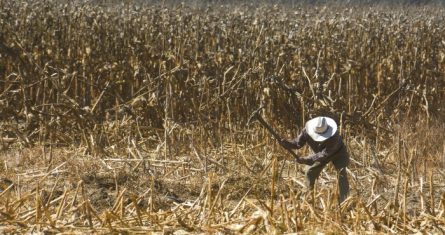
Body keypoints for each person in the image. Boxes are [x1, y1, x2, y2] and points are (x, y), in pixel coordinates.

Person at [279, 116, 350, 204]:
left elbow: (325, 154)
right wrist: (287, 143)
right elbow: (297, 143)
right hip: (320, 154)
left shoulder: (334, 135)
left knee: (341, 174)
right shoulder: (306, 131)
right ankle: (309, 196)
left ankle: (345, 200)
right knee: (310, 172)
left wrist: (307, 159)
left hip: (338, 152)